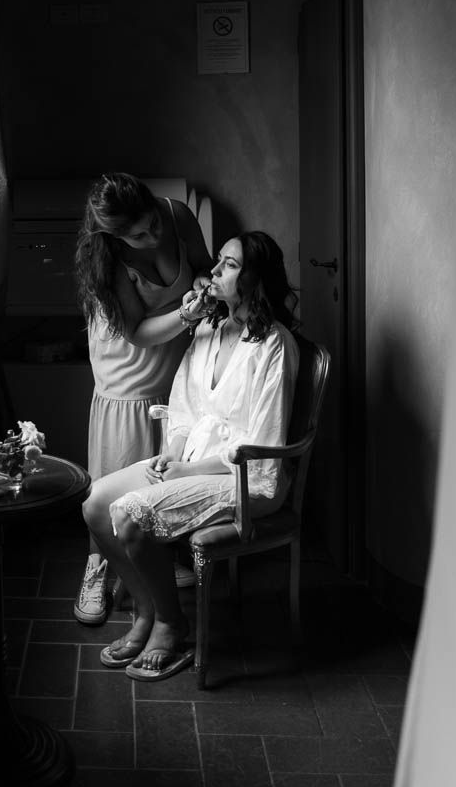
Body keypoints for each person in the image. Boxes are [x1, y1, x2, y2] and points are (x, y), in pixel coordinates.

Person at [82, 230, 300, 681]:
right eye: (218, 259)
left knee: (129, 515)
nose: (214, 270)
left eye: (230, 265)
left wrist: (188, 469)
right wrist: (171, 454)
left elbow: (261, 445)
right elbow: (183, 407)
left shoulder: (274, 346)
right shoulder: (207, 329)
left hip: (245, 478)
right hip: (190, 463)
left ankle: (170, 624)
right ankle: (147, 611)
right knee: (96, 504)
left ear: (254, 279)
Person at [73, 173, 213, 623]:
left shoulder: (178, 215)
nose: (153, 236)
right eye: (139, 236)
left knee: (163, 465)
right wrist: (187, 314)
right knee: (115, 471)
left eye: (153, 223)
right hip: (129, 364)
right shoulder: (108, 255)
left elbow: (203, 264)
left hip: (176, 358)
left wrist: (203, 285)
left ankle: (153, 556)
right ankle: (97, 566)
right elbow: (135, 331)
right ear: (115, 237)